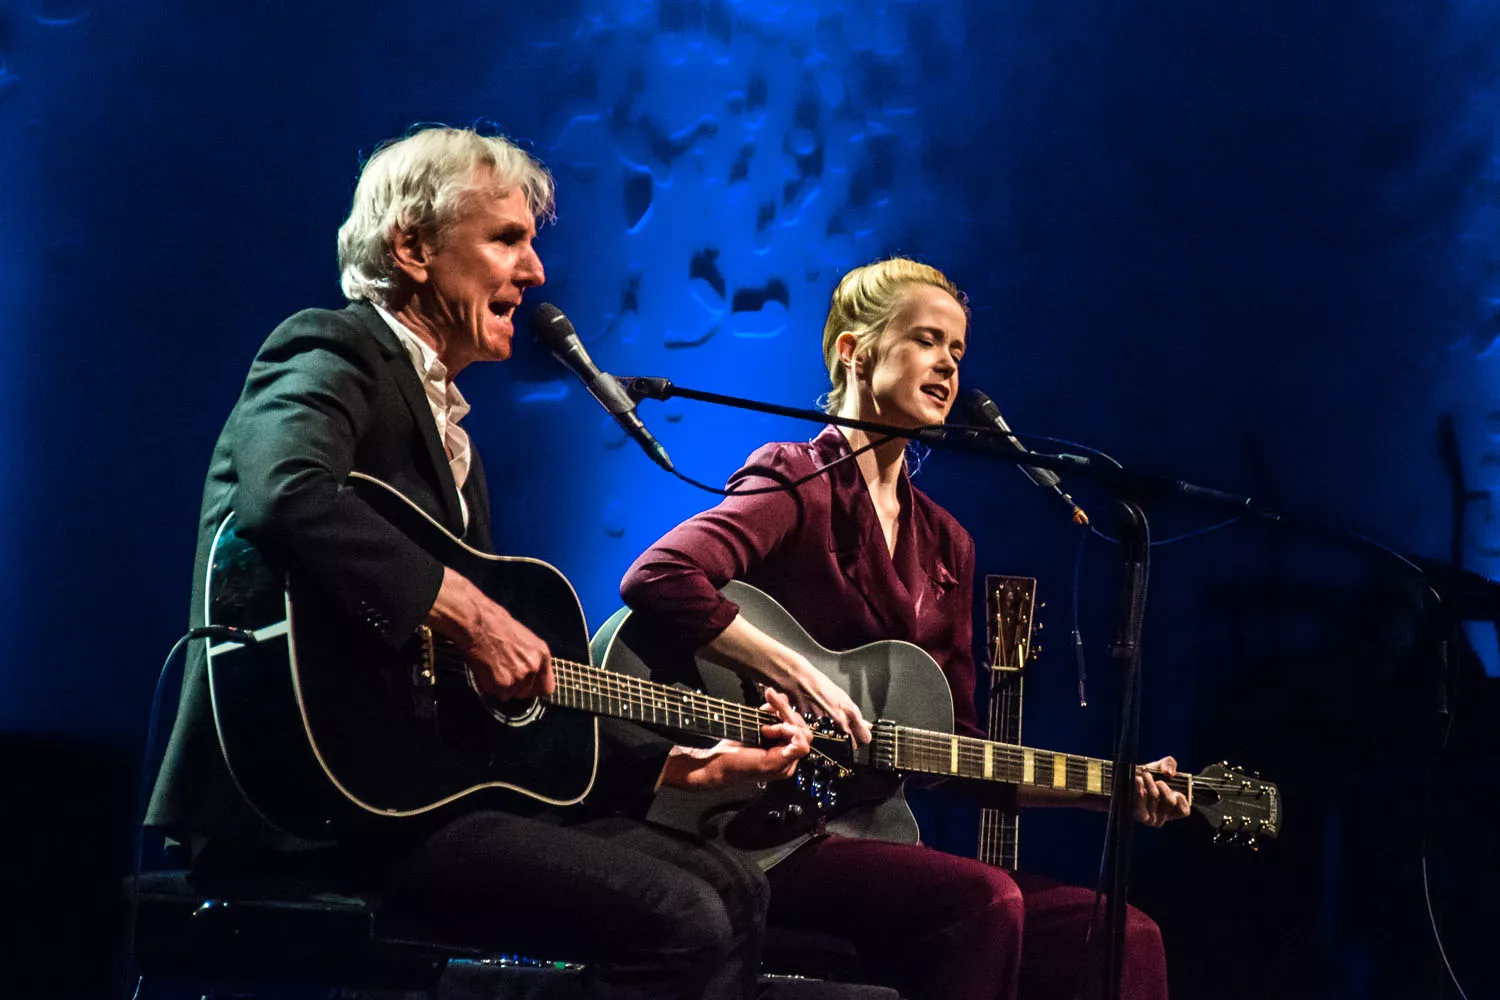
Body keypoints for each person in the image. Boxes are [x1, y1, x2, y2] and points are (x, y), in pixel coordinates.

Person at [145, 126, 813, 1000]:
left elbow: (485, 717)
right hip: (300, 812)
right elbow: (286, 491)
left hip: (407, 797)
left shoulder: (455, 436)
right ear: (413, 248)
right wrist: (464, 607)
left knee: (737, 886)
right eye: (507, 239)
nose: (535, 273)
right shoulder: (331, 349)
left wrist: (673, 766)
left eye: (532, 244)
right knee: (681, 916)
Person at [619, 257, 1191, 1000]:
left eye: (958, 351)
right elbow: (659, 577)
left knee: (1121, 934)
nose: (949, 366)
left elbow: (960, 755)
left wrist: (1107, 790)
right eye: (927, 341)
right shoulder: (797, 478)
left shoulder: (948, 544)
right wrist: (797, 673)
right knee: (983, 902)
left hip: (867, 834)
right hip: (760, 830)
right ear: (854, 352)